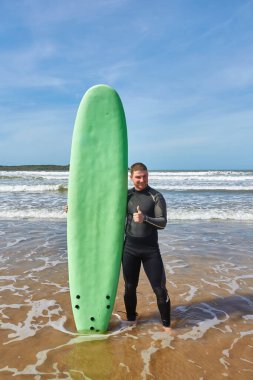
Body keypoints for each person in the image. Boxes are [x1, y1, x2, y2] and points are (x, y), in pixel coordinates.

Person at [123, 162, 172, 333]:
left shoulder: (156, 196)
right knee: (129, 287)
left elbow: (163, 222)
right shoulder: (126, 196)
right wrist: (75, 210)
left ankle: (166, 325)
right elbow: (103, 211)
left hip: (150, 250)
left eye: (144, 176)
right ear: (131, 178)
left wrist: (145, 218)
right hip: (129, 249)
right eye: (138, 177)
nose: (141, 180)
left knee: (159, 288)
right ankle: (131, 321)